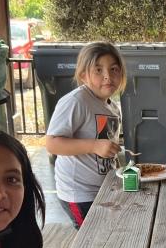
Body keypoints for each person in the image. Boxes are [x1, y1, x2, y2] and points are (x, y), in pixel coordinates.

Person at [45, 42, 127, 228]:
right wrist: (94, 145)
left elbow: (104, 144)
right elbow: (52, 144)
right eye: (98, 70)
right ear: (83, 75)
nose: (108, 76)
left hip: (103, 188)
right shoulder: (77, 101)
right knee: (90, 241)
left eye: (114, 69)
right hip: (78, 193)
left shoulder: (112, 107)